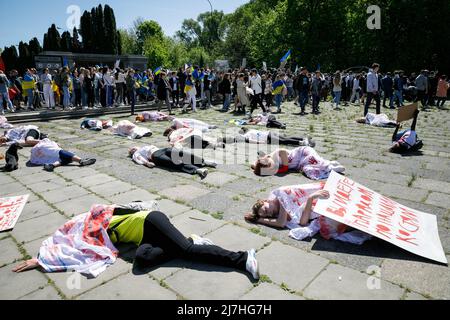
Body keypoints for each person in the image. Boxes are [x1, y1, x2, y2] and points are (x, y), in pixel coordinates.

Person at [12, 203, 260, 280]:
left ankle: (242, 258)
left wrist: (45, 259)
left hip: (151, 221)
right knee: (141, 262)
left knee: (186, 251)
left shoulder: (100, 218)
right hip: (145, 239)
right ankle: (190, 240)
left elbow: (115, 208)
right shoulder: (86, 236)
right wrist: (43, 259)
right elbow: (71, 247)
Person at [245, 183, 372, 244]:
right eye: (267, 215)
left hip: (324, 198)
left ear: (265, 201)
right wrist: (310, 199)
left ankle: (364, 221)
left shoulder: (280, 194)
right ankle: (365, 223)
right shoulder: (283, 211)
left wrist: (258, 220)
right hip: (318, 204)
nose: (269, 213)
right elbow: (303, 222)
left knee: (330, 223)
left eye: (266, 210)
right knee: (331, 223)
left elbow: (280, 223)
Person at [251, 146, 345, 180]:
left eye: (271, 168)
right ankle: (330, 167)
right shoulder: (266, 162)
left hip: (302, 153)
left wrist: (276, 171)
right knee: (308, 170)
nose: (272, 169)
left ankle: (330, 167)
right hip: (300, 164)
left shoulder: (278, 153)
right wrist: (255, 167)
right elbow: (254, 164)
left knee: (312, 160)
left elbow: (285, 168)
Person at [129, 145, 217, 179]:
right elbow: (139, 158)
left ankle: (204, 161)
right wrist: (147, 163)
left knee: (183, 154)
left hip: (163, 149)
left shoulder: (144, 146)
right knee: (174, 162)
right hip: (156, 155)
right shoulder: (136, 153)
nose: (133, 148)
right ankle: (197, 170)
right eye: (131, 150)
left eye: (133, 147)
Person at [29, 138, 96, 172]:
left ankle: (51, 165)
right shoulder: (46, 141)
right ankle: (81, 160)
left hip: (34, 158)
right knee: (61, 152)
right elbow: (56, 148)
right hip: (43, 149)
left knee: (65, 158)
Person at [222, 127, 315, 146]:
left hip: (268, 137)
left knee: (284, 141)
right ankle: (303, 139)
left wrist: (262, 142)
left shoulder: (243, 137)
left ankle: (301, 142)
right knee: (285, 138)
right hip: (269, 133)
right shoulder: (250, 130)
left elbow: (251, 141)